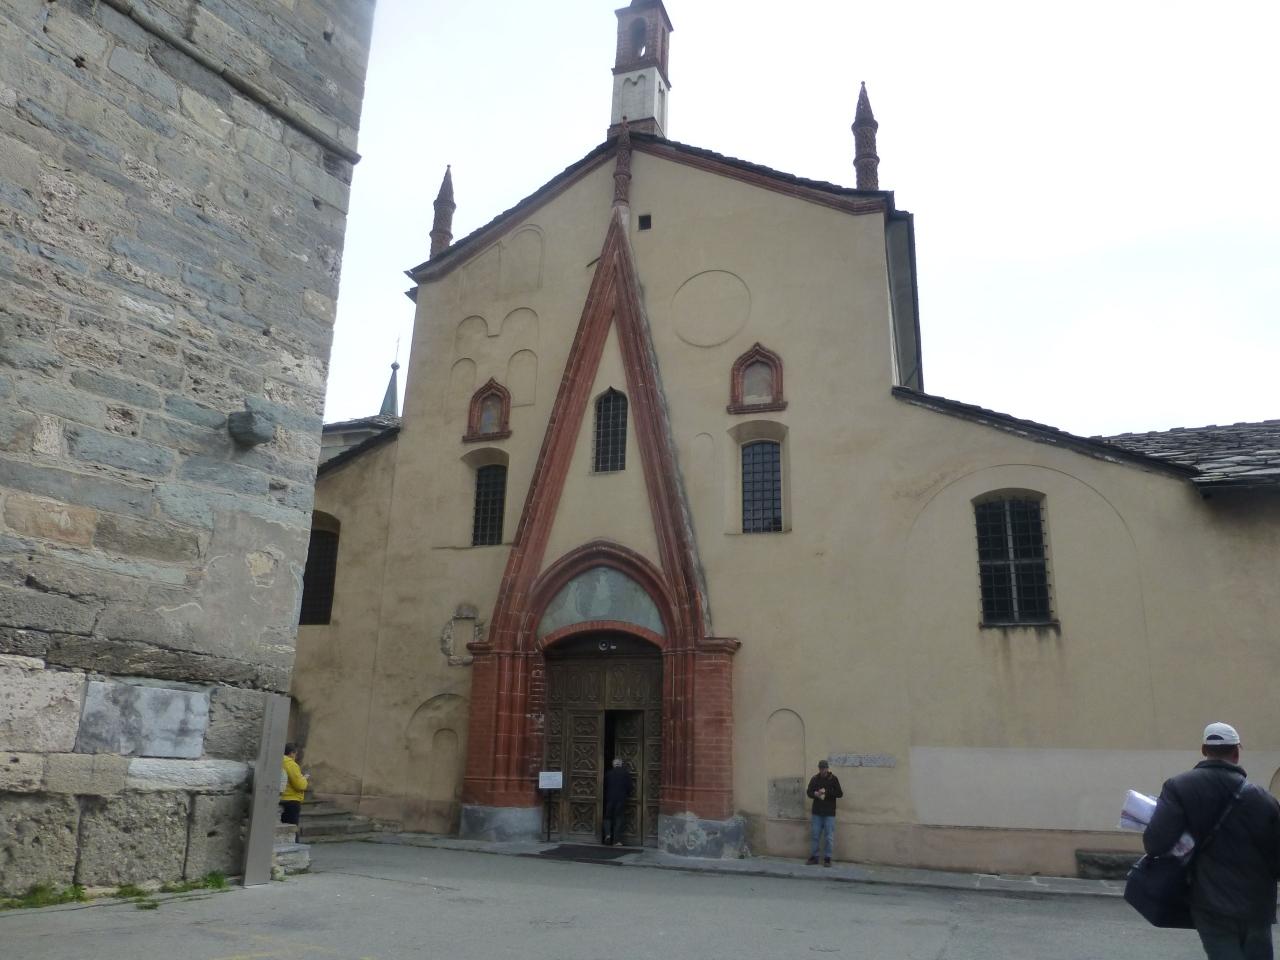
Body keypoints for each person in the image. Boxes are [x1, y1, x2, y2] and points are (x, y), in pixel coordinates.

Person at [1144, 722, 1280, 960]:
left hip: (1209, 901)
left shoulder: (1178, 787)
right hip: (1257, 905)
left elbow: (1156, 844)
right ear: (1236, 753)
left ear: (1204, 750)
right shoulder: (1263, 799)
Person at [806, 759, 843, 866]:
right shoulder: (815, 778)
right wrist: (815, 794)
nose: (822, 770)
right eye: (821, 768)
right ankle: (814, 857)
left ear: (827, 768)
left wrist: (827, 792)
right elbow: (808, 792)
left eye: (824, 768)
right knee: (815, 836)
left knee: (829, 837)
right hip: (817, 812)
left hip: (829, 813)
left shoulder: (833, 779)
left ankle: (827, 858)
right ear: (819, 768)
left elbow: (840, 793)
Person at [280, 742, 310, 831]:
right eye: (295, 754)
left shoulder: (279, 762)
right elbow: (300, 785)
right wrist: (304, 779)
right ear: (291, 753)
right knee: (292, 829)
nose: (295, 757)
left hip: (282, 798)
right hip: (291, 800)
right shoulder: (291, 764)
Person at [602, 758, 632, 846]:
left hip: (610, 798)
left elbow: (604, 786)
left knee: (607, 817)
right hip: (621, 799)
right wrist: (626, 795)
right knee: (618, 818)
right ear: (621, 764)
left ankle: (608, 835)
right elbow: (629, 787)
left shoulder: (608, 773)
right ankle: (616, 840)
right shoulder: (626, 773)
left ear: (613, 765)